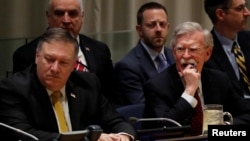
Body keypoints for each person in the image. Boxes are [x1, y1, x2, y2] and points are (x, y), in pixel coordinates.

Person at [0, 28, 135, 141]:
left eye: (63, 62)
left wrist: (124, 136)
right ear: (37, 57)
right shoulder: (13, 89)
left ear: (73, 65)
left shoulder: (88, 83)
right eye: (49, 59)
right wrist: (88, 139)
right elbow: (24, 135)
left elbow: (115, 121)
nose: (55, 68)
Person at [142, 22, 250, 135]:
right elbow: (164, 128)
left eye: (193, 50)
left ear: (208, 53)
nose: (186, 55)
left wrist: (225, 127)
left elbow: (247, 113)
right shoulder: (157, 86)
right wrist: (189, 91)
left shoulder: (219, 80)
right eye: (180, 49)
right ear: (174, 53)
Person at [12, 0, 115, 103]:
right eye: (59, 13)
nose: (66, 20)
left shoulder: (100, 50)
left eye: (72, 14)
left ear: (82, 16)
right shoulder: (26, 55)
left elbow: (111, 98)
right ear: (48, 16)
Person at [113, 2, 175, 107]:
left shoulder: (175, 56)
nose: (159, 29)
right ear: (139, 30)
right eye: (152, 25)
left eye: (162, 24)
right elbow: (143, 109)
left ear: (168, 27)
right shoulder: (127, 66)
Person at [203, 0, 250, 99]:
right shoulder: (205, 52)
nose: (247, 13)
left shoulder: (248, 39)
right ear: (221, 14)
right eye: (240, 8)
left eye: (246, 7)